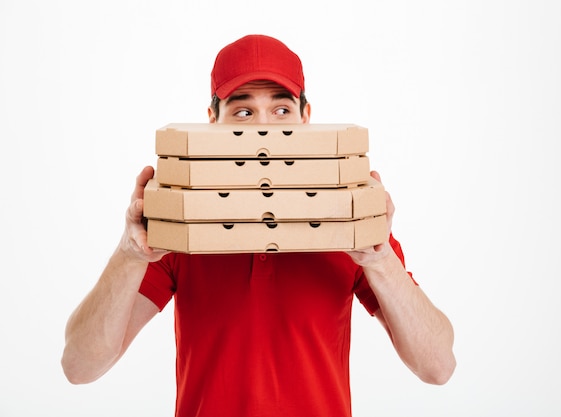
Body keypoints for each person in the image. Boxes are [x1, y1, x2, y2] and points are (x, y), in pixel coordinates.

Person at [62, 34, 456, 416]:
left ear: (306, 117)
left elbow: (438, 367)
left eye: (281, 110)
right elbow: (80, 367)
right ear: (213, 120)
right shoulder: (180, 226)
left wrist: (381, 258)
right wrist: (130, 254)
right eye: (243, 112)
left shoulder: (346, 219)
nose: (264, 129)